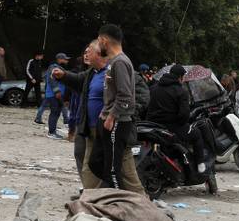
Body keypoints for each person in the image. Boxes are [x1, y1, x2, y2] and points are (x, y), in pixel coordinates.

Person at [89, 24, 140, 191]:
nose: (98, 45)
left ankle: (117, 201)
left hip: (117, 122)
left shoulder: (120, 62)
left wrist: (112, 116)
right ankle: (114, 194)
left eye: (98, 41)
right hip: (105, 119)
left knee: (112, 169)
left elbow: (125, 96)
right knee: (96, 162)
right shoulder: (113, 62)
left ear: (104, 40)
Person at [54, 40, 110, 188]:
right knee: (80, 154)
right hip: (84, 121)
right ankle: (88, 189)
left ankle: (101, 190)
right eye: (85, 52)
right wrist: (63, 75)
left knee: (98, 159)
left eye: (89, 52)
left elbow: (134, 95)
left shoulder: (115, 71)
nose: (86, 55)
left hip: (103, 125)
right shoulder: (90, 72)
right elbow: (76, 80)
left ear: (100, 54)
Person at [147, 64, 207, 173]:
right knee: (197, 134)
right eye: (183, 77)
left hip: (152, 126)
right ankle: (200, 164)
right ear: (180, 77)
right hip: (172, 127)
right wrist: (183, 123)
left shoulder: (153, 88)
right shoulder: (180, 91)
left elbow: (147, 107)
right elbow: (184, 115)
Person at [43, 53, 70, 139]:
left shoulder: (57, 67)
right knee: (54, 113)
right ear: (59, 59)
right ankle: (51, 132)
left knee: (57, 113)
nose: (66, 61)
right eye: (65, 59)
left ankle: (53, 130)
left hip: (57, 94)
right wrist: (56, 91)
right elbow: (52, 80)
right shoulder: (54, 67)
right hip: (53, 94)